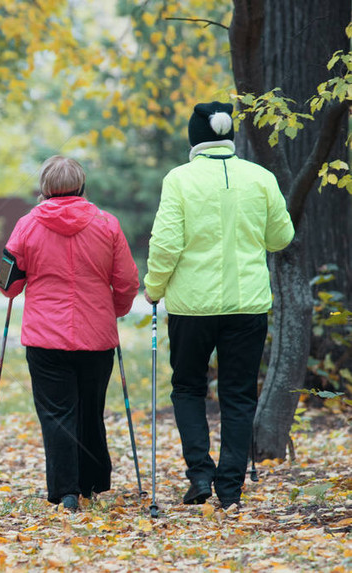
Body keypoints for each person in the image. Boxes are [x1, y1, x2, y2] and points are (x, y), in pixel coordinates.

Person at [143, 101, 294, 510]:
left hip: (192, 307)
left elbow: (166, 244)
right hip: (247, 308)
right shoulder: (260, 178)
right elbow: (281, 237)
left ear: (195, 139)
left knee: (188, 388)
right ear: (230, 137)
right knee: (239, 395)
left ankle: (199, 476)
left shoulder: (179, 180)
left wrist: (153, 288)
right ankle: (231, 489)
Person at [0, 155, 139, 511]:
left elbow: (7, 285)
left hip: (46, 338)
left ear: (44, 188)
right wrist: (116, 311)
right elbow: (126, 281)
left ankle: (66, 492)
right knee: (91, 409)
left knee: (56, 414)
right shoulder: (108, 224)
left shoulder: (27, 225)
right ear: (81, 185)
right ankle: (91, 483)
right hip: (96, 335)